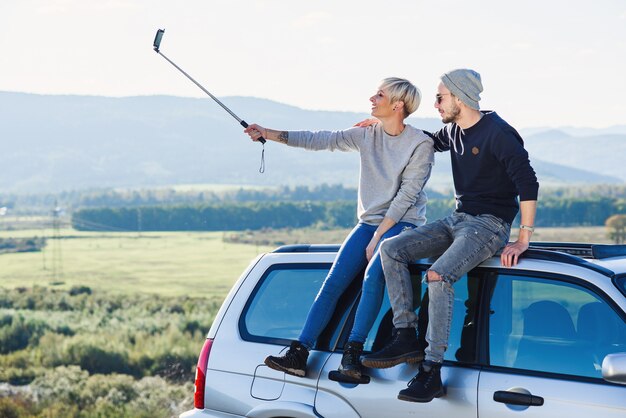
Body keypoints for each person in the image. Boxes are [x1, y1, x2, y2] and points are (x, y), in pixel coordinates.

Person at [360, 69, 539, 402]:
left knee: (439, 275)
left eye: (440, 97)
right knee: (391, 250)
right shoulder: (454, 131)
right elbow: (426, 139)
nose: (436, 103)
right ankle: (405, 335)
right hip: (458, 219)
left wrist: (523, 237)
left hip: (489, 225)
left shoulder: (498, 134)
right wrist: (386, 128)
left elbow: (528, 184)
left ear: (459, 97)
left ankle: (431, 371)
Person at [244, 77, 435, 378]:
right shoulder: (367, 134)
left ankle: (352, 355)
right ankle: (299, 353)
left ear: (398, 105)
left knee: (373, 276)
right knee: (334, 281)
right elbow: (320, 139)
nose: (372, 98)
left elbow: (407, 196)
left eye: (380, 95)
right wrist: (266, 133)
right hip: (369, 223)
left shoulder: (421, 144)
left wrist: (377, 238)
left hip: (403, 223)